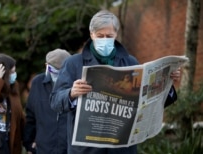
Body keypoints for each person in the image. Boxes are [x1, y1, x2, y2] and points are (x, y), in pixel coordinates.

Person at [50, 10, 180, 154]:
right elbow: (55, 101)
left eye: (109, 36)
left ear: (116, 35)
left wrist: (166, 84)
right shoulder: (73, 63)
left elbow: (147, 102)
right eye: (100, 36)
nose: (104, 40)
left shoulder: (130, 62)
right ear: (91, 34)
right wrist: (71, 93)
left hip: (122, 148)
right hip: (86, 149)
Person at [23, 49, 71, 154]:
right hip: (44, 148)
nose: (58, 75)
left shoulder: (75, 85)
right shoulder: (37, 83)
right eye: (54, 71)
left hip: (69, 148)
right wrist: (28, 144)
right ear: (46, 66)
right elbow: (31, 115)